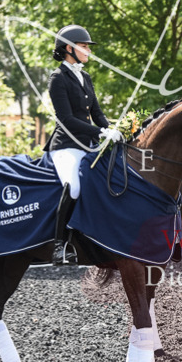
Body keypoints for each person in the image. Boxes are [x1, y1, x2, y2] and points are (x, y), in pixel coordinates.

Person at [45, 24, 123, 265]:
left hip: (87, 144)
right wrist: (100, 132)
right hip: (66, 145)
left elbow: (97, 113)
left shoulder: (85, 76)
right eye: (84, 46)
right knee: (74, 187)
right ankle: (59, 245)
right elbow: (66, 119)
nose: (88, 51)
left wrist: (113, 128)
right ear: (69, 48)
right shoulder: (58, 78)